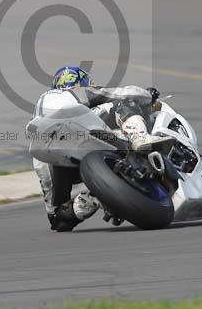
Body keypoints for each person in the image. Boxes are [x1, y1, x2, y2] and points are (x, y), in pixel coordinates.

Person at [32, 65, 169, 232]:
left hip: (48, 150)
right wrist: (147, 95)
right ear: (80, 83)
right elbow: (121, 93)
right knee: (125, 102)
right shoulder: (74, 92)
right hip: (76, 128)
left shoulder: (43, 109)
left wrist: (59, 213)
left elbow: (57, 220)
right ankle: (139, 138)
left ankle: (90, 199)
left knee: (57, 216)